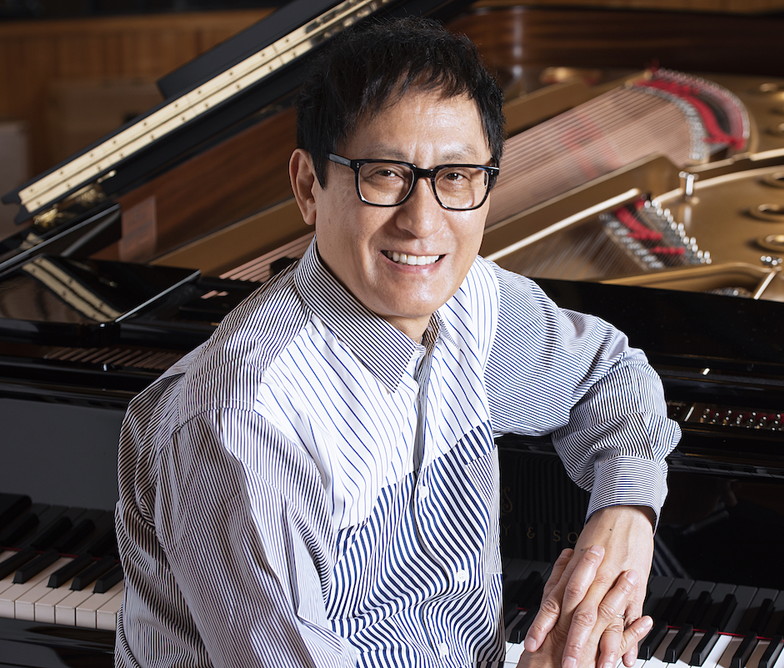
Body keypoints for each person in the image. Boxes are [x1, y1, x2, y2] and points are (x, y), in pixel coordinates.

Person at [114, 15, 680, 668]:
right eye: (384, 174)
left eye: (456, 176)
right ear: (308, 187)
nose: (422, 222)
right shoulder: (243, 421)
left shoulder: (470, 303)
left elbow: (611, 373)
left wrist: (625, 517)